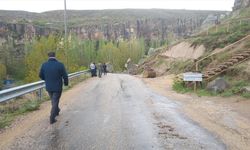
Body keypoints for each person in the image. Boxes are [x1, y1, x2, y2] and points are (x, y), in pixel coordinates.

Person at [39, 52, 68, 124]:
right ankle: (52, 117)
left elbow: (40, 75)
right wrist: (66, 83)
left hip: (48, 86)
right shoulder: (60, 64)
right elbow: (65, 75)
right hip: (57, 86)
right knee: (55, 101)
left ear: (48, 56)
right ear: (55, 56)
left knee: (53, 100)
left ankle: (57, 110)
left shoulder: (44, 65)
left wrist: (46, 79)